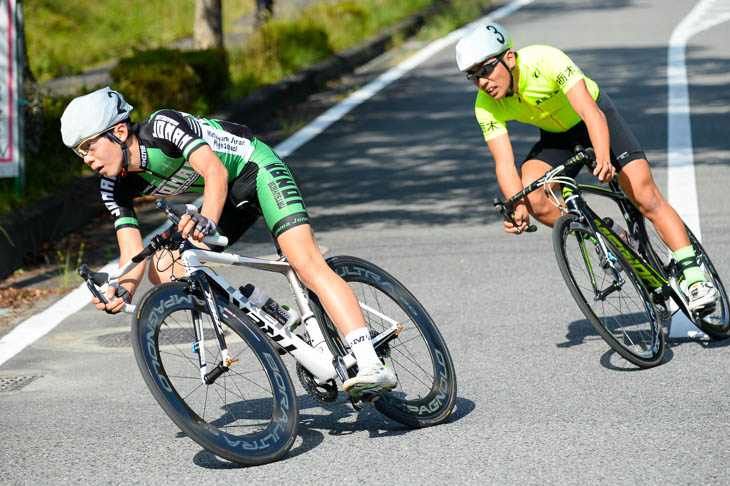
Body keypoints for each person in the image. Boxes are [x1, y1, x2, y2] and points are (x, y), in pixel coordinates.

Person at [60, 87, 396, 396]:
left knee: (305, 264)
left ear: (119, 132)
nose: (86, 159)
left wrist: (207, 218)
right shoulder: (112, 187)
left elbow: (215, 172)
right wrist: (122, 289)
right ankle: (270, 312)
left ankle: (370, 362)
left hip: (255, 171)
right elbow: (132, 253)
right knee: (163, 269)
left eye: (89, 146)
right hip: (224, 201)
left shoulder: (162, 126)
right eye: (78, 153)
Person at [454, 23, 719, 313]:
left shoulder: (545, 59)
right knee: (533, 198)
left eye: (485, 70)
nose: (482, 81)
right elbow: (504, 162)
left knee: (643, 194)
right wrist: (516, 205)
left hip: (595, 116)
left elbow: (589, 112)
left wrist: (603, 157)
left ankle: (695, 279)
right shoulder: (485, 105)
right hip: (557, 138)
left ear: (509, 58)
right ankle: (609, 238)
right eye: (473, 76)